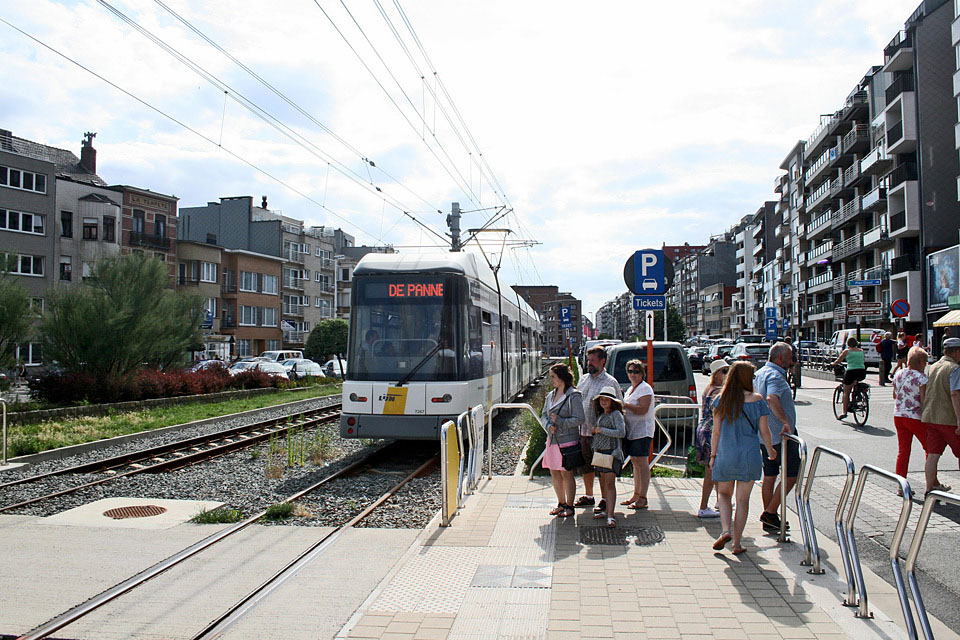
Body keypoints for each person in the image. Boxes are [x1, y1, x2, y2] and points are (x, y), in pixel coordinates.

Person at [709, 362, 777, 555]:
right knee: (743, 500)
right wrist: (771, 451)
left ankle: (724, 530)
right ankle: (737, 543)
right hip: (750, 455)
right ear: (748, 378)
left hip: (726, 453)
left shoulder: (721, 399)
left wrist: (713, 456)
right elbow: (765, 432)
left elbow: (716, 431)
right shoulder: (757, 400)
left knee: (723, 495)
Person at [754, 342, 799, 533]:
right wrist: (785, 421)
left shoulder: (760, 372)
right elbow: (772, 398)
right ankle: (771, 512)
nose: (792, 360)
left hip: (764, 434)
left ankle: (769, 518)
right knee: (791, 474)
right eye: (790, 357)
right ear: (780, 358)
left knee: (770, 475)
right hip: (781, 435)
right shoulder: (775, 376)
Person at [574, 346, 622, 511]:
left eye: (593, 361)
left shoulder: (610, 382)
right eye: (588, 360)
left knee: (602, 467)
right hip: (584, 432)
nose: (589, 364)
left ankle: (604, 499)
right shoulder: (584, 379)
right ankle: (589, 496)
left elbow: (618, 407)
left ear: (602, 361)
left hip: (601, 435)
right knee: (586, 465)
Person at [540, 363, 584, 518]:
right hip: (552, 441)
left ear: (562, 377)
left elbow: (580, 418)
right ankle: (561, 503)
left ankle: (570, 506)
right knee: (554, 472)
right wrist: (548, 426)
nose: (551, 379)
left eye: (553, 376)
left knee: (566, 473)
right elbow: (544, 415)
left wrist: (560, 422)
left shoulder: (574, 395)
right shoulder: (550, 396)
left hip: (567, 441)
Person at [920, 337, 960, 495]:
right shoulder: (954, 368)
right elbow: (955, 394)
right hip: (948, 418)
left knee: (933, 455)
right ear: (956, 352)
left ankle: (930, 488)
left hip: (931, 417)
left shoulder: (934, 366)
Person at [695, 360, 728, 518]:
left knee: (713, 469)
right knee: (711, 471)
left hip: (703, 429)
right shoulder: (717, 392)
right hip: (711, 431)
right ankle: (703, 506)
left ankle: (718, 500)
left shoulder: (709, 388)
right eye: (724, 371)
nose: (727, 375)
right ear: (716, 374)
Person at [621, 359, 654, 510]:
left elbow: (643, 409)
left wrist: (624, 405)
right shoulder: (630, 389)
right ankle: (636, 493)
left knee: (642, 463)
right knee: (635, 462)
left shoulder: (645, 389)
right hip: (631, 431)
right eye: (630, 371)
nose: (632, 374)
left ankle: (643, 497)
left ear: (642, 374)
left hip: (642, 431)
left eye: (636, 371)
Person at [590, 386, 626, 528]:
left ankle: (611, 515)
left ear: (612, 401)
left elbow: (621, 432)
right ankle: (607, 511)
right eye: (602, 400)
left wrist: (601, 430)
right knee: (604, 483)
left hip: (611, 453)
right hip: (600, 453)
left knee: (610, 484)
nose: (604, 402)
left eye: (607, 400)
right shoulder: (602, 414)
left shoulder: (616, 414)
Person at [893, 346, 928, 478]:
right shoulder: (921, 378)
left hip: (898, 415)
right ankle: (932, 481)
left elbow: (894, 395)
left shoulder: (899, 374)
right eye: (925, 362)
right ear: (920, 362)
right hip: (915, 417)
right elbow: (924, 401)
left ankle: (901, 484)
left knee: (903, 451)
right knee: (929, 449)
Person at [831, 337, 867, 419]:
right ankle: (858, 395)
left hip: (851, 372)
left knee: (846, 392)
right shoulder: (861, 351)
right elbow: (863, 361)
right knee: (856, 382)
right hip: (861, 372)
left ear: (848, 344)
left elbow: (838, 361)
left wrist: (833, 364)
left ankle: (844, 412)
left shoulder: (847, 351)